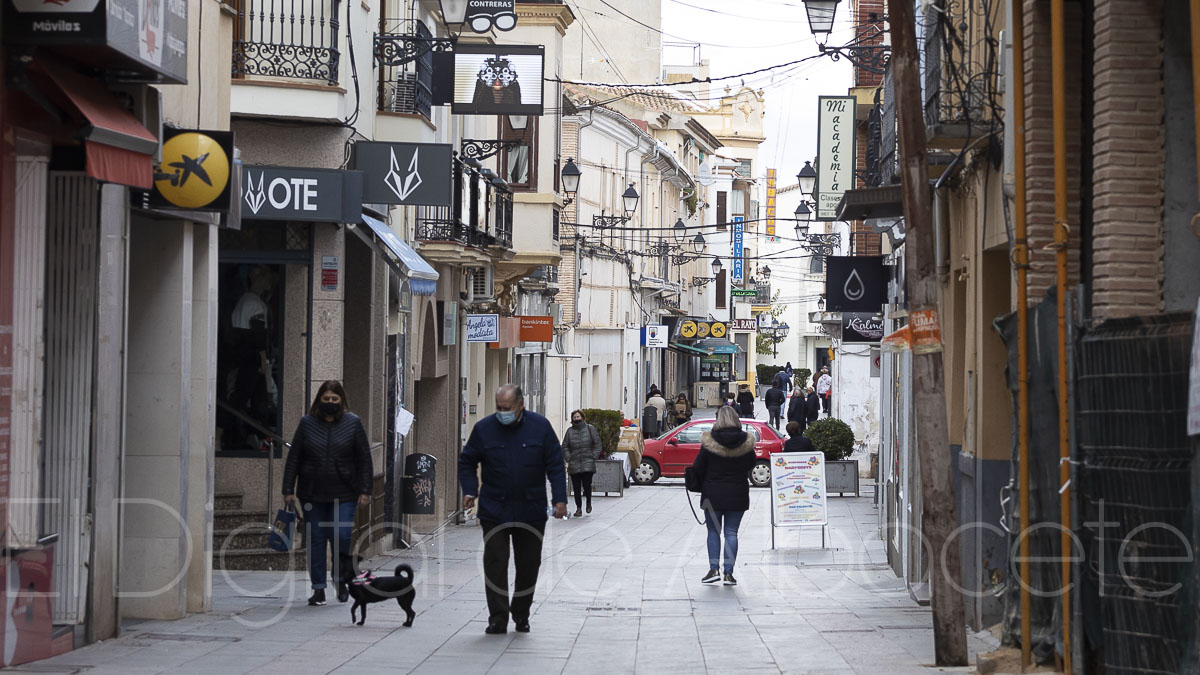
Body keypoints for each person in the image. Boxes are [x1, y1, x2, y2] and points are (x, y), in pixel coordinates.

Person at [458, 385, 567, 635]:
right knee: (495, 562)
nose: (502, 412)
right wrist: (469, 490)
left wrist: (560, 500)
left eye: (507, 408)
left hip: (531, 509)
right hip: (494, 508)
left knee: (529, 565)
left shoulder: (540, 428)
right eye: (498, 408)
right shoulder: (484, 429)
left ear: (521, 406)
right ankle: (497, 617)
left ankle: (521, 612)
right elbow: (467, 461)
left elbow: (555, 465)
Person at [282, 380, 372, 607]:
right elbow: (294, 458)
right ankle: (318, 588)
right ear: (319, 400)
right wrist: (288, 489)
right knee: (316, 540)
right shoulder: (307, 423)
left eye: (334, 399)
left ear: (341, 400)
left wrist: (365, 490)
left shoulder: (353, 423)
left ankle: (341, 581)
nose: (330, 403)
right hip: (312, 493)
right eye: (326, 399)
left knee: (341, 536)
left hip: (345, 492)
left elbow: (364, 459)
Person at [690, 406, 755, 586]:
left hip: (713, 494)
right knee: (731, 533)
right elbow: (751, 464)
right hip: (738, 493)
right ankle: (729, 573)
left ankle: (713, 570)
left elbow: (697, 467)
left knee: (713, 531)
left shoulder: (709, 441)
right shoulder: (746, 441)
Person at [562, 410, 602, 517]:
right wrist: (568, 458)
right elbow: (565, 446)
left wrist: (593, 456)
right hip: (574, 463)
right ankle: (578, 508)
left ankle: (588, 502)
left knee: (587, 485)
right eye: (574, 417)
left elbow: (597, 443)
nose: (576, 418)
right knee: (576, 487)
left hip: (587, 462)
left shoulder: (590, 428)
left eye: (578, 416)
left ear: (582, 417)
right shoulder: (569, 431)